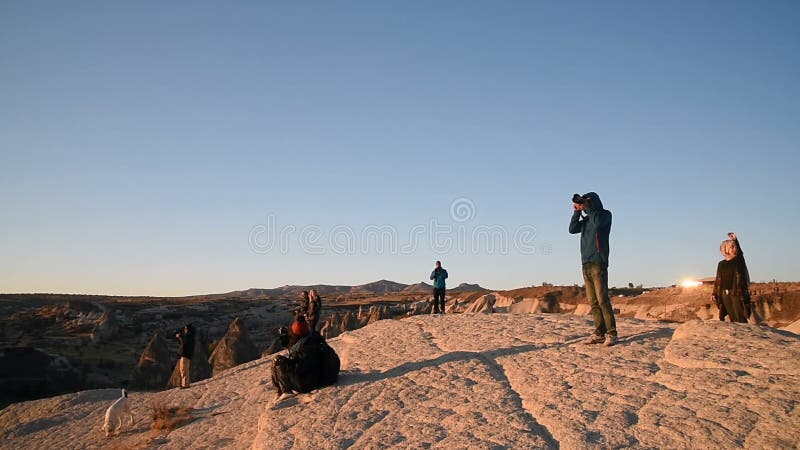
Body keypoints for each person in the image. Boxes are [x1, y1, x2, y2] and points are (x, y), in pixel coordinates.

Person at [569, 192, 617, 347]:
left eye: (585, 203)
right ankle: (599, 333)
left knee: (603, 299)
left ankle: (611, 333)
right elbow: (572, 229)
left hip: (599, 262)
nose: (583, 205)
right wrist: (576, 212)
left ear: (592, 202)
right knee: (593, 301)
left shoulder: (604, 215)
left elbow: (597, 223)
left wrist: (588, 208)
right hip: (586, 263)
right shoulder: (586, 219)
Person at [712, 232, 751, 323]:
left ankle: (744, 334)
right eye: (732, 247)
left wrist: (735, 241)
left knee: (740, 315)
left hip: (737, 292)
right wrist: (714, 293)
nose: (735, 249)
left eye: (735, 247)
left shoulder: (738, 261)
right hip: (724, 293)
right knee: (731, 315)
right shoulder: (721, 264)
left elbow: (740, 254)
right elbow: (717, 279)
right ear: (725, 249)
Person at [175, 323, 195, 388]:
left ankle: (185, 384)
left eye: (186, 329)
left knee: (184, 370)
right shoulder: (190, 336)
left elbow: (184, 343)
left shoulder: (189, 337)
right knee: (183, 370)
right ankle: (184, 383)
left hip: (185, 355)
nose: (185, 330)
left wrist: (179, 337)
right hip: (185, 355)